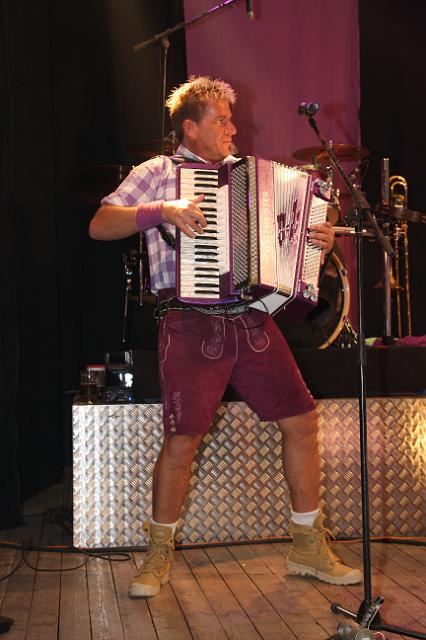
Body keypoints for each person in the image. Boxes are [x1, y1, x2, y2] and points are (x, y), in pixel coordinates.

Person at [89, 76, 362, 598]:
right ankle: (157, 552)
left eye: (231, 119)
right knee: (183, 438)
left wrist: (320, 238)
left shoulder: (252, 178)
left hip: (251, 318)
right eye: (221, 120)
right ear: (190, 128)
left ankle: (307, 547)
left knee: (301, 421)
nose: (233, 128)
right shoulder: (158, 173)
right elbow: (100, 224)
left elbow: (299, 228)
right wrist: (163, 210)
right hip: (190, 320)